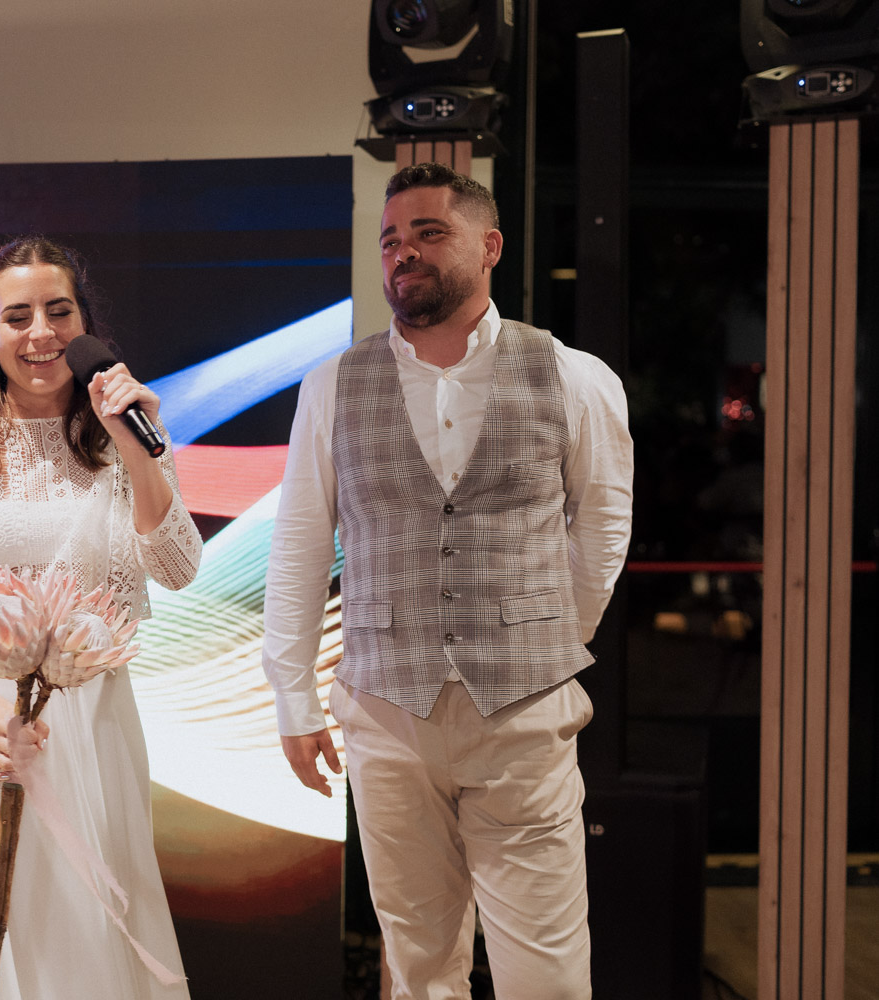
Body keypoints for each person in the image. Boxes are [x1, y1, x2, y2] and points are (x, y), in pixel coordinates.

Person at [262, 163, 632, 999]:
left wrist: (543, 641)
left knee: (547, 975)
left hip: (524, 716)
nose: (405, 252)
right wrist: (292, 695)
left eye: (430, 233)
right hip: (385, 712)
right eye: (391, 239)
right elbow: (301, 543)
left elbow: (602, 528)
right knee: (419, 967)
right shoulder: (332, 384)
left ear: (489, 246)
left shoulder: (574, 375)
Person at [0, 237, 201, 1000]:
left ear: (86, 325)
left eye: (59, 312)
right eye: (18, 316)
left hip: (90, 728)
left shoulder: (128, 436)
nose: (41, 334)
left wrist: (137, 450)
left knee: (86, 943)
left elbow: (177, 566)